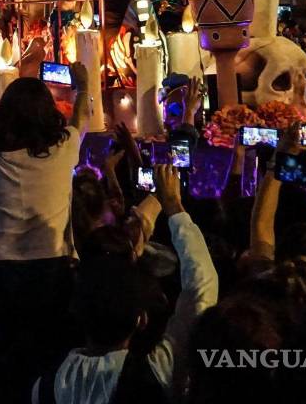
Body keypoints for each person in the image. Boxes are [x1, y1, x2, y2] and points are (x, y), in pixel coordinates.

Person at [32, 165, 219, 404]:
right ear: (141, 319)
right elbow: (201, 286)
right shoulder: (157, 375)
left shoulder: (44, 387)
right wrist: (173, 205)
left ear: (76, 309)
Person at [0, 66, 92, 400]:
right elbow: (81, 121)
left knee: (7, 360)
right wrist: (83, 87)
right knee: (49, 356)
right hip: (51, 266)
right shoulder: (62, 150)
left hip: (0, 267)